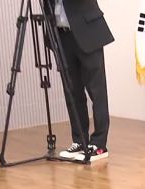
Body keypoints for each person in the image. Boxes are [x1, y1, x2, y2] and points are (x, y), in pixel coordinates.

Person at [47, 0, 114, 162]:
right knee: (72, 91)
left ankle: (99, 144)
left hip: (87, 30)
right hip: (61, 34)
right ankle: (79, 140)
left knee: (96, 90)